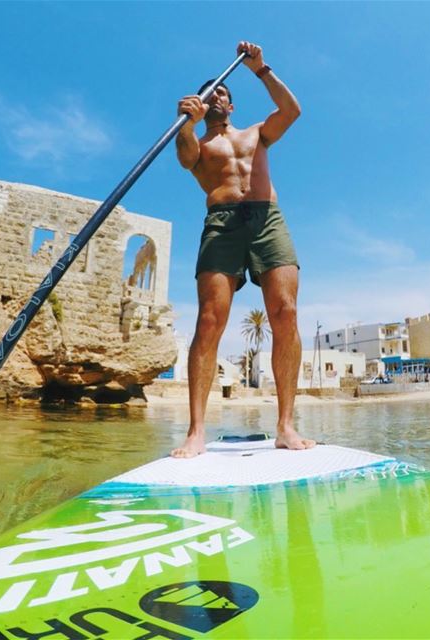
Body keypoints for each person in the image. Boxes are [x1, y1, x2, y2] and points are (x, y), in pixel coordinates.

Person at [172, 40, 316, 458]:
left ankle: (286, 426)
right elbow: (184, 159)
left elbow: (292, 111)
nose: (215, 95)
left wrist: (261, 68)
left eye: (222, 92)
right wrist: (185, 122)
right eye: (208, 93)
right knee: (209, 320)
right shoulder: (198, 144)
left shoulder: (257, 134)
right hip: (222, 226)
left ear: (231, 105)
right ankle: (196, 432)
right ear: (200, 104)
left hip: (267, 219)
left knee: (285, 312)